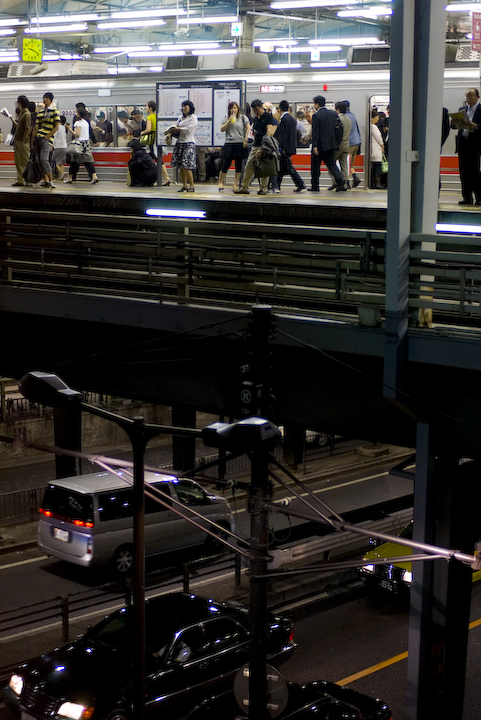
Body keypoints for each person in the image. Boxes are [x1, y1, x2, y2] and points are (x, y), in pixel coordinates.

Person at [236, 99, 276, 195]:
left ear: (262, 107)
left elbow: (269, 132)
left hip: (265, 146)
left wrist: (264, 148)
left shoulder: (268, 117)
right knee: (249, 165)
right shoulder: (256, 119)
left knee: (264, 167)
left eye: (257, 110)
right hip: (255, 145)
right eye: (254, 110)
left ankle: (263, 188)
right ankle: (244, 187)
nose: (256, 112)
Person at [309, 95, 345, 192]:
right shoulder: (333, 114)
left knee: (315, 166)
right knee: (331, 165)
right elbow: (339, 129)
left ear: (317, 104)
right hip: (331, 145)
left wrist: (315, 146)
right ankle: (341, 180)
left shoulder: (316, 116)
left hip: (320, 146)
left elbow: (315, 132)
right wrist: (337, 142)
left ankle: (315, 186)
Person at [454, 87, 481, 205]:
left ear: (477, 97)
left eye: (471, 96)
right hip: (463, 143)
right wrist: (454, 123)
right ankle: (467, 197)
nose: (468, 99)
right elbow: (456, 127)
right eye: (467, 97)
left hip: (475, 145)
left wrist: (477, 127)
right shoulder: (462, 109)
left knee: (475, 172)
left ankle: (479, 198)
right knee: (463, 173)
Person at [275, 100, 306, 193]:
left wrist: (282, 148)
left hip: (285, 148)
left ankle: (300, 184)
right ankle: (277, 186)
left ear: (279, 109)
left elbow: (283, 135)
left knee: (286, 168)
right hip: (291, 147)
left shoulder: (284, 119)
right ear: (288, 108)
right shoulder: (292, 119)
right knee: (282, 168)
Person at [31, 91, 60, 189]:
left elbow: (56, 127)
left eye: (46, 98)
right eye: (44, 98)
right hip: (38, 138)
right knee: (39, 160)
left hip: (46, 139)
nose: (44, 100)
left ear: (50, 100)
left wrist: (48, 137)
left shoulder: (55, 111)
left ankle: (51, 180)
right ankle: (46, 180)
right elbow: (36, 127)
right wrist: (33, 140)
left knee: (44, 160)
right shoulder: (40, 112)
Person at [218, 101, 249, 192]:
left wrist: (245, 139)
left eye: (235, 108)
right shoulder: (226, 118)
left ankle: (235, 184)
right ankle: (220, 182)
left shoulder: (243, 117)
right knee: (226, 163)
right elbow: (222, 129)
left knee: (238, 165)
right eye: (232, 108)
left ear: (238, 109)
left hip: (240, 143)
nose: (233, 109)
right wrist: (229, 121)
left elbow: (248, 127)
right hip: (229, 143)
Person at [65, 108, 99, 184]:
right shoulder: (86, 123)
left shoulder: (78, 123)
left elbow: (77, 134)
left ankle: (70, 178)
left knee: (74, 161)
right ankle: (94, 176)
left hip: (79, 144)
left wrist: (69, 129)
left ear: (79, 114)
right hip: (86, 143)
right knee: (88, 161)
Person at [140, 100, 170, 186]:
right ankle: (165, 177)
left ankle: (164, 178)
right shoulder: (157, 116)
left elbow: (149, 129)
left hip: (152, 141)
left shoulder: (149, 117)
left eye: (146, 106)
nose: (146, 108)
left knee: (153, 159)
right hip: (159, 139)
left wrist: (142, 133)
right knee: (158, 159)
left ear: (150, 107)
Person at [170, 100, 198, 192]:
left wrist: (177, 128)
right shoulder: (180, 118)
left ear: (190, 107)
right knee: (181, 165)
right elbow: (177, 128)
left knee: (187, 165)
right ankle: (184, 185)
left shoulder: (193, 118)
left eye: (185, 106)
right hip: (179, 143)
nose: (183, 108)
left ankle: (192, 186)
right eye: (182, 106)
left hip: (188, 143)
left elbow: (188, 129)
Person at [329, 102, 351, 190]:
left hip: (338, 146)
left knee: (331, 164)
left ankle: (335, 182)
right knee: (344, 165)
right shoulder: (348, 120)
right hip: (346, 145)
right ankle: (344, 182)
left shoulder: (337, 119)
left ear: (338, 110)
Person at [12, 95, 31, 187]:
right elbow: (19, 127)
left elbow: (28, 129)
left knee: (24, 161)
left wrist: (23, 140)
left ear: (20, 103)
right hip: (18, 141)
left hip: (22, 142)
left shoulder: (26, 114)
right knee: (18, 162)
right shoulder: (22, 114)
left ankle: (26, 180)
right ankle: (21, 180)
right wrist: (11, 118)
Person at [342, 100, 362, 188]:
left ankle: (347, 183)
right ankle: (355, 177)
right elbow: (357, 128)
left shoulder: (344, 117)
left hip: (349, 143)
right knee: (351, 164)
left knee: (346, 163)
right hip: (356, 142)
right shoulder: (353, 115)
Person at [370, 110, 384, 189]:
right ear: (372, 118)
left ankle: (373, 183)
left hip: (373, 149)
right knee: (377, 167)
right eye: (377, 117)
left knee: (374, 167)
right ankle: (378, 183)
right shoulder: (374, 127)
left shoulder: (369, 126)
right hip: (376, 149)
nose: (378, 118)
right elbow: (379, 138)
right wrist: (382, 146)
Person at [52, 115, 67, 182]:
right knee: (61, 162)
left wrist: (51, 145)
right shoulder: (64, 128)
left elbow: (54, 137)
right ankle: (61, 177)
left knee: (56, 162)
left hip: (58, 146)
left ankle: (62, 173)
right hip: (64, 146)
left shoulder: (57, 127)